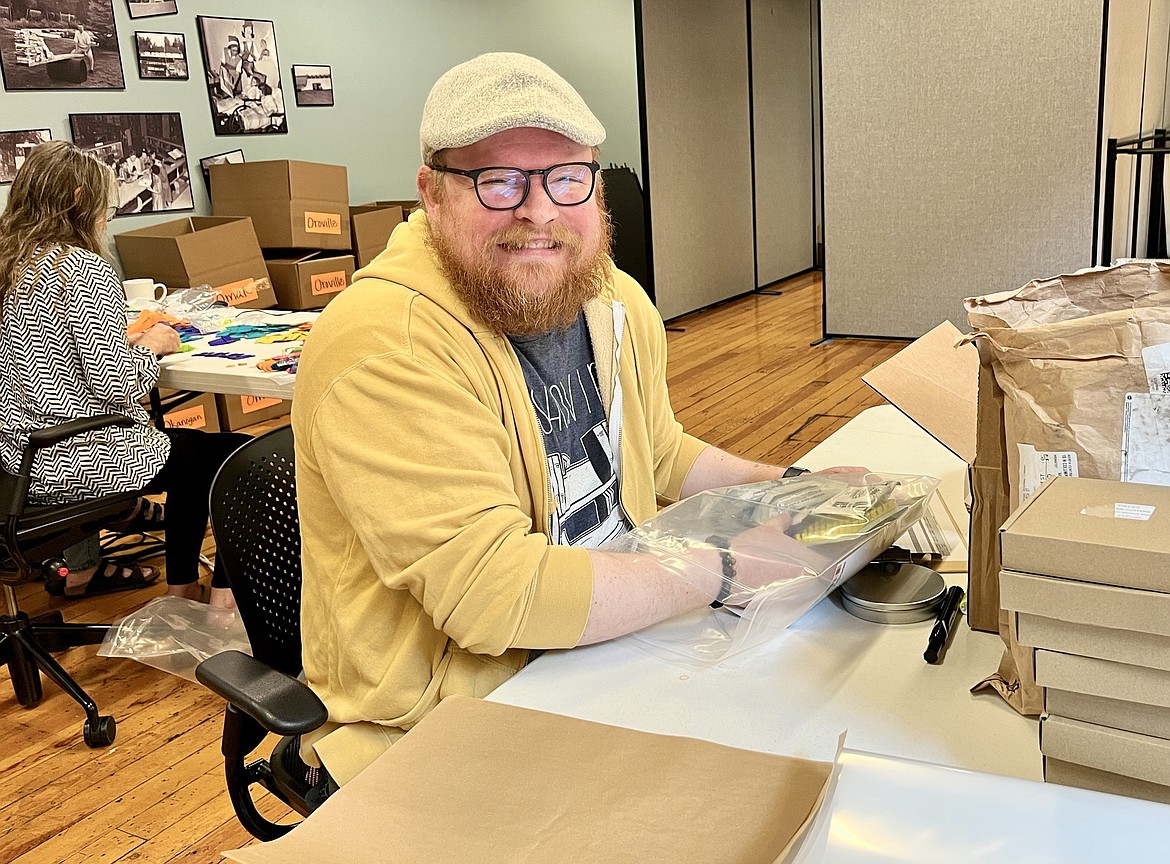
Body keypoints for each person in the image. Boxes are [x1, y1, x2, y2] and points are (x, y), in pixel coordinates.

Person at [292, 52, 861, 787]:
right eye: (497, 181)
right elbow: (498, 594)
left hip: (610, 649)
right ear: (431, 195)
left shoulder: (611, 299)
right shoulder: (385, 344)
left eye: (567, 177)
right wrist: (721, 568)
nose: (539, 212)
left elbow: (655, 453)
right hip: (449, 724)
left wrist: (794, 489)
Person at [0, 141, 249, 607]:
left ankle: (132, 579)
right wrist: (152, 345)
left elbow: (52, 359)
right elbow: (118, 383)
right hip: (77, 456)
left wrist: (119, 343)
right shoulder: (78, 267)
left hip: (18, 467)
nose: (108, 217)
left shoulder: (9, 266)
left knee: (190, 453)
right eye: (107, 206)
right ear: (79, 199)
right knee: (236, 457)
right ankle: (207, 597)